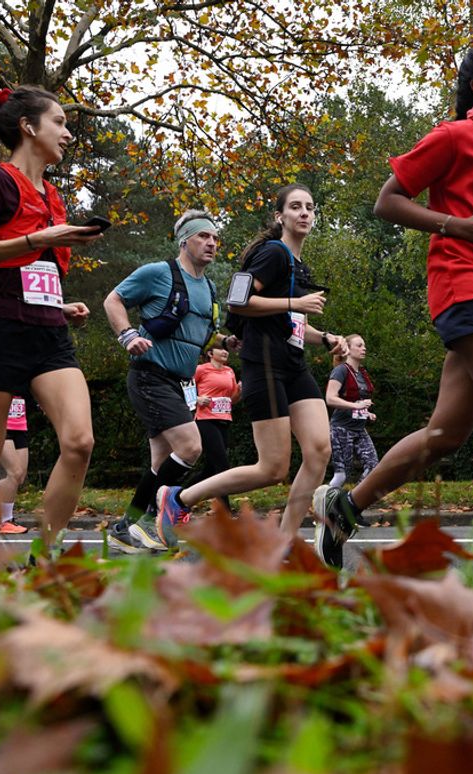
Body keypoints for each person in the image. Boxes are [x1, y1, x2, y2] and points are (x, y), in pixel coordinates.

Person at [312, 40, 473, 569]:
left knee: (445, 434)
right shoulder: (455, 137)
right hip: (462, 283)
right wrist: (459, 225)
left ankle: (344, 505)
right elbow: (387, 201)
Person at [0, 85, 101, 548]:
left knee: (80, 443)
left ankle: (44, 561)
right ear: (29, 127)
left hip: (49, 333)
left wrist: (59, 303)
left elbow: (39, 274)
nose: (67, 133)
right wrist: (37, 239)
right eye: (59, 122)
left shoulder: (53, 194)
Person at [155, 185, 342, 544]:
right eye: (296, 207)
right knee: (272, 468)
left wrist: (328, 338)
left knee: (320, 450)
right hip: (265, 364)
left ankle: (284, 542)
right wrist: (293, 303)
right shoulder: (273, 253)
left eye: (310, 208)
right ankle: (178, 498)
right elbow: (238, 302)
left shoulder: (298, 264)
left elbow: (292, 321)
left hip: (293, 364)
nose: (304, 213)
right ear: (280, 217)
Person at [103, 209, 225, 553]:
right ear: (184, 240)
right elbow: (113, 299)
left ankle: (124, 528)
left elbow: (196, 336)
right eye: (204, 236)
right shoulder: (159, 273)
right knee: (191, 447)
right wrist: (127, 335)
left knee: (160, 463)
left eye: (215, 238)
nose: (212, 243)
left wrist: (227, 343)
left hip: (179, 384)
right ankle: (149, 521)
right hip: (149, 377)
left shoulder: (210, 287)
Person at [187, 345, 240, 512]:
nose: (225, 352)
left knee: (210, 469)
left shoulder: (230, 371)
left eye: (227, 350)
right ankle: (224, 509)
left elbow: (231, 399)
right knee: (222, 465)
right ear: (210, 353)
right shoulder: (201, 369)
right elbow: (183, 386)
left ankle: (177, 496)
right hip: (206, 420)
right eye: (221, 349)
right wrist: (196, 399)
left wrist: (240, 391)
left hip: (224, 420)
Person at [325, 335, 379, 489]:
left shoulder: (362, 373)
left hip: (359, 429)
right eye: (360, 345)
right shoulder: (340, 371)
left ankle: (352, 500)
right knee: (342, 475)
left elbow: (357, 400)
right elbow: (330, 398)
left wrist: (366, 412)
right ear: (348, 349)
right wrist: (356, 407)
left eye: (364, 346)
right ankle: (323, 505)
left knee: (373, 466)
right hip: (341, 429)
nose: (364, 348)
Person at [0, 396, 30, 534]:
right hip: (0, 425)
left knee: (19, 477)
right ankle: (5, 521)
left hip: (20, 425)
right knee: (15, 472)